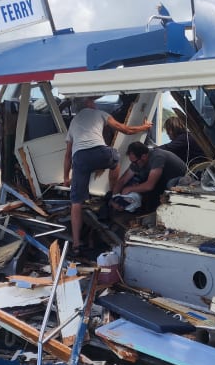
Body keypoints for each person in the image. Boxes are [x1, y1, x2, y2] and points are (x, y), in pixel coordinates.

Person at [63, 96, 152, 254]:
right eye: (93, 100)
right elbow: (125, 129)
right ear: (89, 104)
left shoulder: (73, 122)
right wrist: (144, 127)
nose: (95, 103)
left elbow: (68, 155)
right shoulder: (99, 113)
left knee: (76, 203)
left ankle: (76, 243)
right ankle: (113, 193)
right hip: (99, 153)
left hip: (80, 159)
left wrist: (65, 178)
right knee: (115, 157)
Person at [116, 141, 187, 213]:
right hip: (161, 179)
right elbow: (122, 180)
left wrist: (130, 189)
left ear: (143, 156)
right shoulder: (138, 161)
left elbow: (149, 186)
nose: (133, 164)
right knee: (137, 183)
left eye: (135, 162)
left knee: (149, 198)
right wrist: (115, 197)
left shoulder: (157, 157)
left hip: (178, 180)